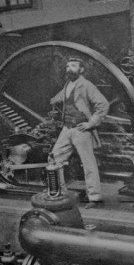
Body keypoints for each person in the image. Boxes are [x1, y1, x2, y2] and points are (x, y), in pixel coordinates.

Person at [50, 57, 109, 205]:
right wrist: (52, 100)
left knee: (88, 164)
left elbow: (103, 105)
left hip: (81, 130)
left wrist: (91, 123)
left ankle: (94, 197)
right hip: (66, 129)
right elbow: (62, 97)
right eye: (68, 66)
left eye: (73, 66)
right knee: (55, 158)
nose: (69, 68)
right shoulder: (68, 84)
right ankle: (62, 193)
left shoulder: (87, 85)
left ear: (81, 69)